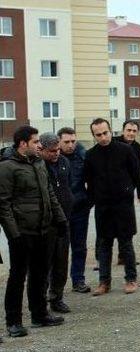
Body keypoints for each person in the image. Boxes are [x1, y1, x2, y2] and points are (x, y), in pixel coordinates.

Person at [0, 126, 67, 337]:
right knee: (18, 276)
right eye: (35, 141)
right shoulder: (7, 168)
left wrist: (60, 219)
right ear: (23, 144)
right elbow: (3, 204)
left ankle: (39, 314)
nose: (39, 145)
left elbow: (49, 194)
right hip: (22, 232)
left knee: (39, 273)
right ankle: (13, 321)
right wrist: (14, 234)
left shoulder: (39, 163)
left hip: (44, 228)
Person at [83, 118, 140, 295]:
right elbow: (89, 181)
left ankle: (131, 279)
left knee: (126, 244)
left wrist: (128, 190)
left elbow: (136, 173)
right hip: (103, 208)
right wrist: (94, 199)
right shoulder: (90, 155)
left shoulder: (125, 150)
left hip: (123, 206)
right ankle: (104, 282)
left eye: (105, 133)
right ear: (93, 135)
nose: (103, 137)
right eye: (98, 135)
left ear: (111, 131)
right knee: (104, 245)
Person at [40, 133, 73, 313]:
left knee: (61, 263)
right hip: (46, 223)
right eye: (52, 151)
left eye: (58, 149)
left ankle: (56, 298)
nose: (56, 153)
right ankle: (40, 299)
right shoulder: (38, 166)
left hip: (64, 220)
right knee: (44, 263)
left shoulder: (64, 163)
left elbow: (68, 186)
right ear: (42, 150)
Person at [58, 127, 92, 293]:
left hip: (79, 209)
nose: (70, 145)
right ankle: (55, 283)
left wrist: (88, 202)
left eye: (73, 141)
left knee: (79, 246)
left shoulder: (82, 156)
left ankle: (78, 280)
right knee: (58, 249)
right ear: (59, 142)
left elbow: (92, 180)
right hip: (59, 211)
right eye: (66, 142)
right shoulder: (53, 158)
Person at [114, 120, 140, 266]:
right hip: (110, 190)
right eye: (128, 130)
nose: (131, 133)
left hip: (127, 190)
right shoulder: (112, 143)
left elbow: (139, 172)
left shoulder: (139, 149)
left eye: (134, 131)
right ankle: (102, 260)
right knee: (107, 226)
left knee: (126, 225)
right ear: (122, 131)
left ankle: (124, 256)